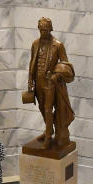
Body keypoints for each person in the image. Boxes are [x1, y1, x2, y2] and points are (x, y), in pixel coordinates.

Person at [26, 18, 75, 148]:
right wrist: (30, 80)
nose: (43, 32)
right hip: (38, 81)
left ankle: (48, 136)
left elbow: (66, 64)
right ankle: (50, 129)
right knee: (42, 107)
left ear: (50, 29)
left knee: (48, 109)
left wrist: (56, 75)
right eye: (41, 30)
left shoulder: (58, 45)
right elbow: (32, 62)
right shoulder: (35, 44)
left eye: (46, 30)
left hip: (51, 83)